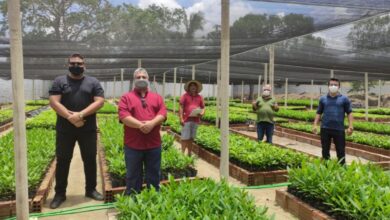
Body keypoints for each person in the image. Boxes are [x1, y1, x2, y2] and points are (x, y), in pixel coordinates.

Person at [48, 53, 105, 209]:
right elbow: (53, 101)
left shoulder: (93, 82)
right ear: (68, 64)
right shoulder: (60, 81)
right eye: (73, 63)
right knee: (63, 160)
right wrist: (69, 116)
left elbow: (100, 101)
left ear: (84, 65)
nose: (76, 66)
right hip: (65, 129)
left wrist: (80, 115)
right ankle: (60, 194)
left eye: (79, 63)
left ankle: (91, 189)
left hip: (88, 128)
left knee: (89, 159)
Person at [118, 68, 167, 195]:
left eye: (143, 77)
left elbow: (162, 113)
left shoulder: (157, 98)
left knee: (154, 174)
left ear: (148, 79)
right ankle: (133, 199)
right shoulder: (126, 98)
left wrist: (151, 123)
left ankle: (153, 198)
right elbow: (124, 117)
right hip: (133, 145)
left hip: (153, 145)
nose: (141, 79)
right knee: (133, 175)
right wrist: (141, 125)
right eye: (138, 77)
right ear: (134, 80)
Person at [312, 78, 353, 165]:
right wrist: (315, 125)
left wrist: (350, 126)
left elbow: (349, 113)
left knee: (341, 151)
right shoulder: (323, 99)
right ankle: (326, 168)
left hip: (339, 129)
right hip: (325, 128)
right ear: (328, 86)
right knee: (325, 151)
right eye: (331, 84)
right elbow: (319, 112)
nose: (333, 86)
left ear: (339, 87)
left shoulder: (344, 99)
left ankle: (342, 170)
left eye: (335, 85)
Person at [179, 80, 205, 156]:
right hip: (186, 120)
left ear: (197, 88)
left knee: (191, 138)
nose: (193, 87)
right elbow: (181, 106)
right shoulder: (185, 96)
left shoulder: (200, 97)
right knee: (184, 138)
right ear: (189, 87)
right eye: (191, 86)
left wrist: (202, 113)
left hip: (195, 120)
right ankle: (182, 154)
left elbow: (203, 107)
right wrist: (181, 118)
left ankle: (189, 153)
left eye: (195, 86)